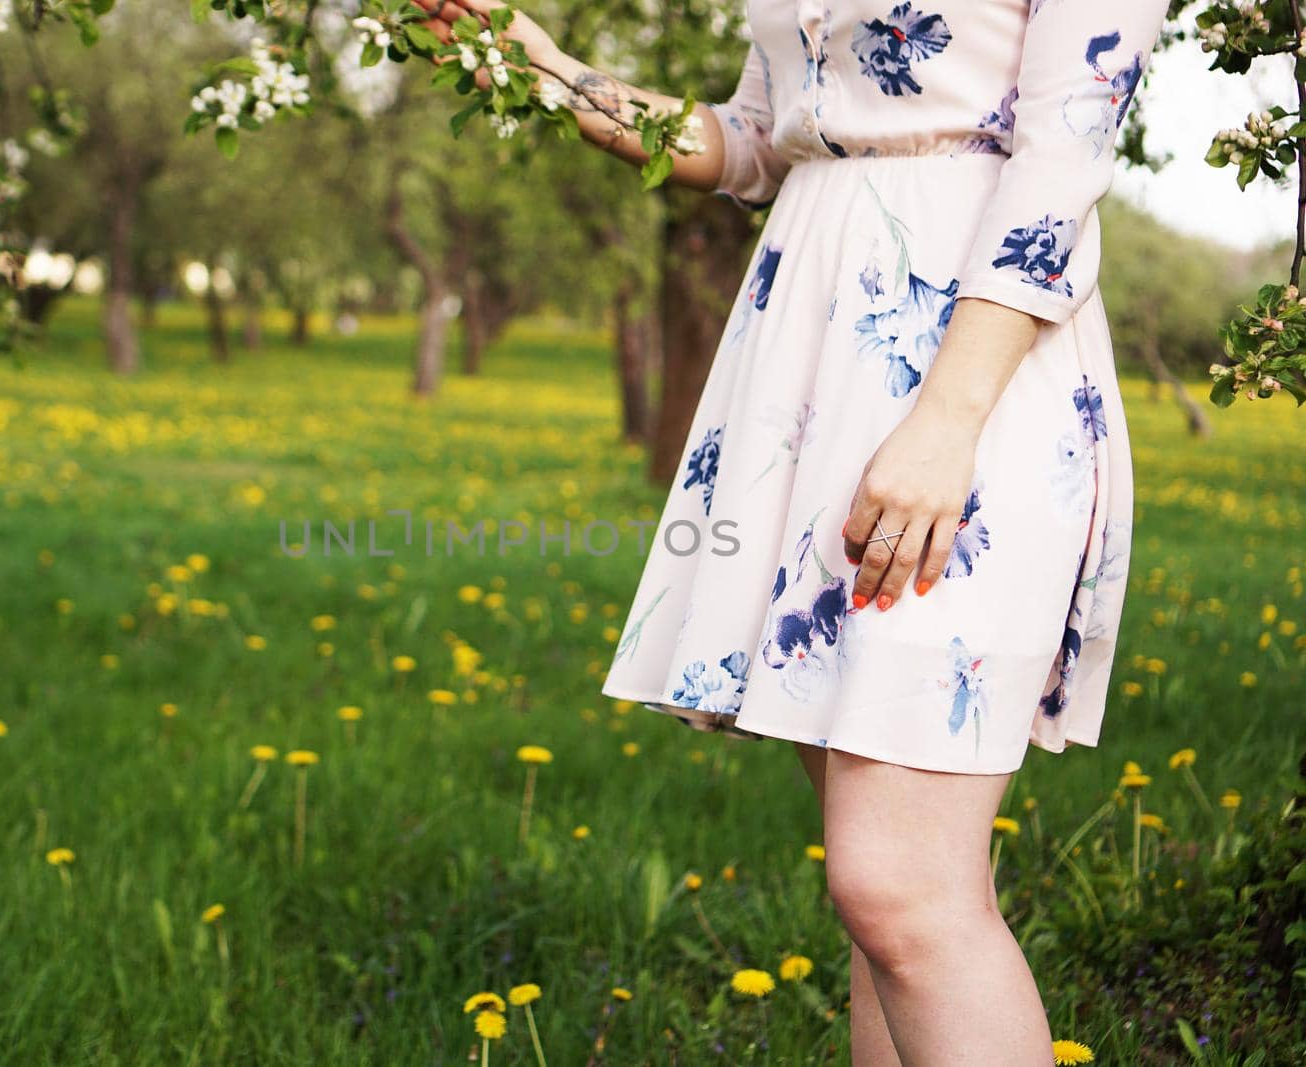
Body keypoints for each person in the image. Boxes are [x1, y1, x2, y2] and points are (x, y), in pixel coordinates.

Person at [419, 0, 1162, 1062]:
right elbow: (751, 141)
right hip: (808, 363)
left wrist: (944, 423)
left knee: (897, 886)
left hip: (967, 368)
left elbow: (1062, 158)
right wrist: (549, 73)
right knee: (888, 902)